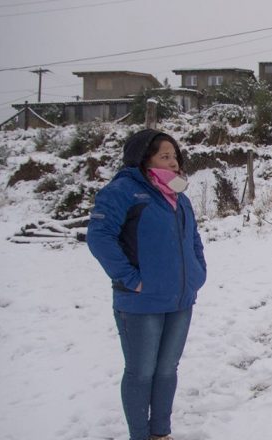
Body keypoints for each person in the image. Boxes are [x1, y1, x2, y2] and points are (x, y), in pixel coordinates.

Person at [87, 129, 207, 440]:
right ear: (144, 159)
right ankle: (139, 435)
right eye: (164, 156)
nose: (174, 162)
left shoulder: (179, 196)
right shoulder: (123, 191)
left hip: (180, 299)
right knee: (141, 372)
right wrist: (130, 279)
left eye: (175, 156)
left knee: (167, 371)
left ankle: (161, 434)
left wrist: (197, 272)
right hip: (141, 303)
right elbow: (99, 238)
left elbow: (193, 238)